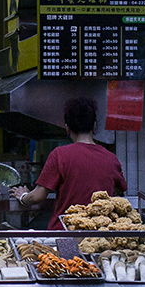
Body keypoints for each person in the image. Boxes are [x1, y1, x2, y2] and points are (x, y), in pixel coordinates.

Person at [10, 97, 128, 231]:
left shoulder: (59, 155)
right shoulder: (111, 158)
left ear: (67, 128)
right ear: (94, 126)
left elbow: (37, 197)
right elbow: (120, 190)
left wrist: (23, 196)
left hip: (65, 233)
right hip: (98, 235)